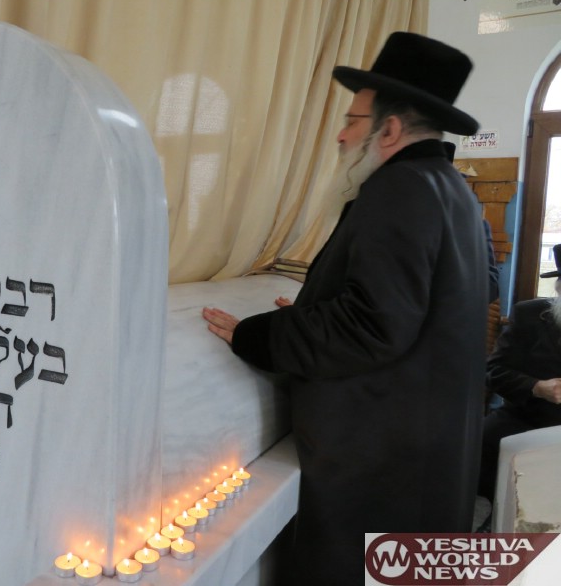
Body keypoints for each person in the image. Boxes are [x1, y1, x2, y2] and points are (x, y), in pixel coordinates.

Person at [202, 32, 489, 584]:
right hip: (425, 456)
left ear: (390, 129)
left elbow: (371, 325)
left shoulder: (400, 188)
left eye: (353, 121)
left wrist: (256, 335)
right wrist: (313, 306)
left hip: (383, 467)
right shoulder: (450, 188)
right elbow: (410, 305)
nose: (340, 134)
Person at [478, 243, 561, 506]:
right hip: (529, 421)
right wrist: (536, 387)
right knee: (482, 442)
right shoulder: (530, 315)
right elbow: (493, 371)